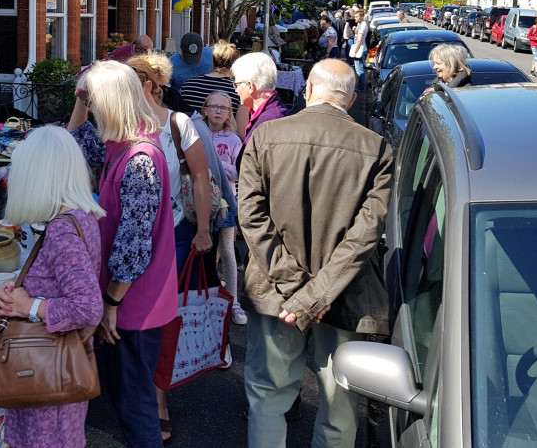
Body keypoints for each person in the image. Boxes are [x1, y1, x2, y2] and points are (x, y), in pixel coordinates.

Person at [239, 60, 393, 448]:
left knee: (267, 397)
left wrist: (296, 288)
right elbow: (366, 234)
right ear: (352, 98)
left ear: (308, 90)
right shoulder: (375, 148)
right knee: (339, 404)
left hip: (277, 293)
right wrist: (317, 294)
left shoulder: (266, 136)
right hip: (344, 295)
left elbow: (251, 218)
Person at [68, 61, 176, 448]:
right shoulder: (126, 144)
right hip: (133, 300)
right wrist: (80, 98)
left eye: (94, 101)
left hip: (133, 304)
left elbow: (134, 244)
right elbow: (74, 143)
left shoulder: (138, 159)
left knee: (135, 408)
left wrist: (111, 302)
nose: (91, 108)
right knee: (128, 402)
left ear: (110, 103)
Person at [124, 53, 214, 444]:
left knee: (162, 323)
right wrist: (80, 102)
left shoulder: (179, 124)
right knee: (128, 322)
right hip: (125, 238)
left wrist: (205, 229)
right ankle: (133, 396)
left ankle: (158, 400)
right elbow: (79, 149)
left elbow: (201, 177)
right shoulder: (119, 123)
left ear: (148, 88)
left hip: (172, 235)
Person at [0, 126, 104, 448]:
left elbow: (87, 308)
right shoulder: (78, 217)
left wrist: (28, 306)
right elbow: (60, 281)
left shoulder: (61, 231)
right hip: (54, 366)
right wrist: (16, 290)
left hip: (46, 373)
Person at [201, 92, 246, 325]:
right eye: (213, 106)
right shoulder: (197, 133)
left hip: (226, 202)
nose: (218, 111)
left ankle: (234, 301)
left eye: (224, 108)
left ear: (230, 113)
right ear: (205, 110)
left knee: (227, 251)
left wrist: (215, 163)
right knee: (203, 250)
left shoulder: (234, 141)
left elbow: (239, 172)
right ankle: (205, 296)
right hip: (199, 202)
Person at [231, 52, 289, 145]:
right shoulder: (269, 114)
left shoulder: (270, 122)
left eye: (237, 84)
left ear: (250, 86)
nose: (236, 90)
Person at [179, 40, 240, 116]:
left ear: (213, 62)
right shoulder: (237, 91)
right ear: (235, 65)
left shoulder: (188, 85)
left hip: (190, 127)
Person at [347, 10, 369, 90]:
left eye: (356, 17)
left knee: (359, 69)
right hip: (362, 48)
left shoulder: (363, 25)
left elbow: (359, 40)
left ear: (362, 17)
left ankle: (361, 87)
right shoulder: (360, 24)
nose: (355, 18)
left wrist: (354, 52)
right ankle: (361, 85)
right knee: (360, 68)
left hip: (360, 49)